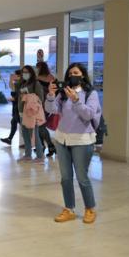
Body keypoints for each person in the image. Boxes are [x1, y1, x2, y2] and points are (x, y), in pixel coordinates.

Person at [46, 63, 101, 224]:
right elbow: (51, 109)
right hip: (62, 139)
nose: (72, 76)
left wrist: (76, 100)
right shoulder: (63, 93)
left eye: (76, 72)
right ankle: (69, 209)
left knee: (82, 177)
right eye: (70, 73)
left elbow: (89, 114)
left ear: (82, 75)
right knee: (65, 178)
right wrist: (50, 95)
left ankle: (90, 209)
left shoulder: (91, 93)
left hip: (82, 140)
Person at [16, 65, 45, 163]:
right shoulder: (23, 83)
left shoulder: (36, 84)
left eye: (27, 72)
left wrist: (28, 96)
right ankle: (28, 154)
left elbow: (40, 98)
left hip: (32, 113)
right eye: (23, 72)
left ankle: (40, 156)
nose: (25, 74)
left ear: (31, 73)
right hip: (22, 112)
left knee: (34, 135)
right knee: (25, 134)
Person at [36, 61, 57, 157]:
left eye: (38, 67)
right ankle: (42, 146)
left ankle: (49, 145)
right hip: (47, 103)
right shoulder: (52, 77)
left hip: (43, 104)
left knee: (40, 126)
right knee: (40, 126)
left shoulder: (38, 78)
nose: (37, 69)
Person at [0, 70, 22, 146]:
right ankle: (9, 139)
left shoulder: (21, 84)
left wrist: (14, 98)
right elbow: (11, 87)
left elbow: (21, 94)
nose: (13, 76)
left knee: (19, 123)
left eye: (15, 75)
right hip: (15, 106)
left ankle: (33, 142)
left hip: (19, 106)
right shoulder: (16, 83)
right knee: (14, 122)